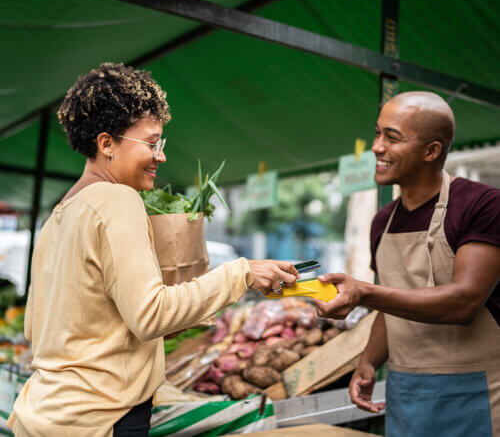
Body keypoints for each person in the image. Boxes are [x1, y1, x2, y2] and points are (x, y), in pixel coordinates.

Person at [7, 63, 298, 436]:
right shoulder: (117, 200)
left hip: (44, 415)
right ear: (106, 144)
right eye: (151, 143)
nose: (160, 156)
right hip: (101, 418)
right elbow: (149, 315)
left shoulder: (58, 217)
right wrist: (243, 273)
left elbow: (36, 328)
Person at [313, 92, 500, 436]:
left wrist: (364, 293)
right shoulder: (381, 222)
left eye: (392, 137)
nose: (376, 147)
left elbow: (465, 302)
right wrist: (369, 361)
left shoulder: (482, 205)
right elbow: (391, 304)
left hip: (475, 395)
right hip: (405, 394)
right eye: (378, 133)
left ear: (431, 151)